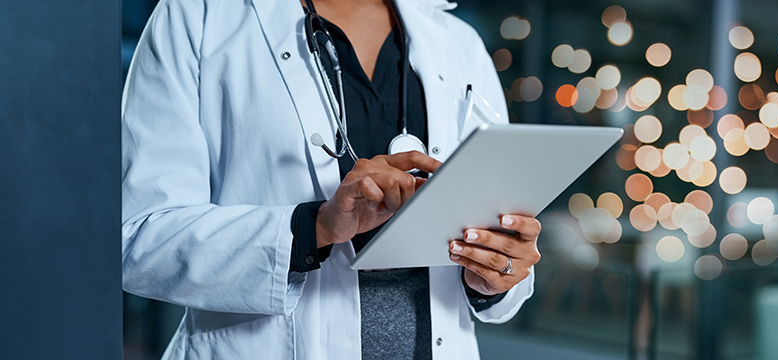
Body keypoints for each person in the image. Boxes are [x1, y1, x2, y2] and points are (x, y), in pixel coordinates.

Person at [121, 0, 541, 358]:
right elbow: (137, 237)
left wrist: (495, 273)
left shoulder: (458, 43)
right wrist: (314, 229)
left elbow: (497, 244)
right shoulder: (198, 17)